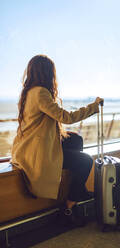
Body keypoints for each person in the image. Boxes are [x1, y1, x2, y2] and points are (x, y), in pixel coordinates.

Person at [11, 55, 103, 225]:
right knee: (85, 161)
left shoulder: (29, 92)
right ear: (47, 73)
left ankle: (77, 190)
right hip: (37, 151)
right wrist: (93, 107)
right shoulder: (40, 93)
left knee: (75, 140)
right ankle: (68, 208)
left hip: (30, 146)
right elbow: (65, 117)